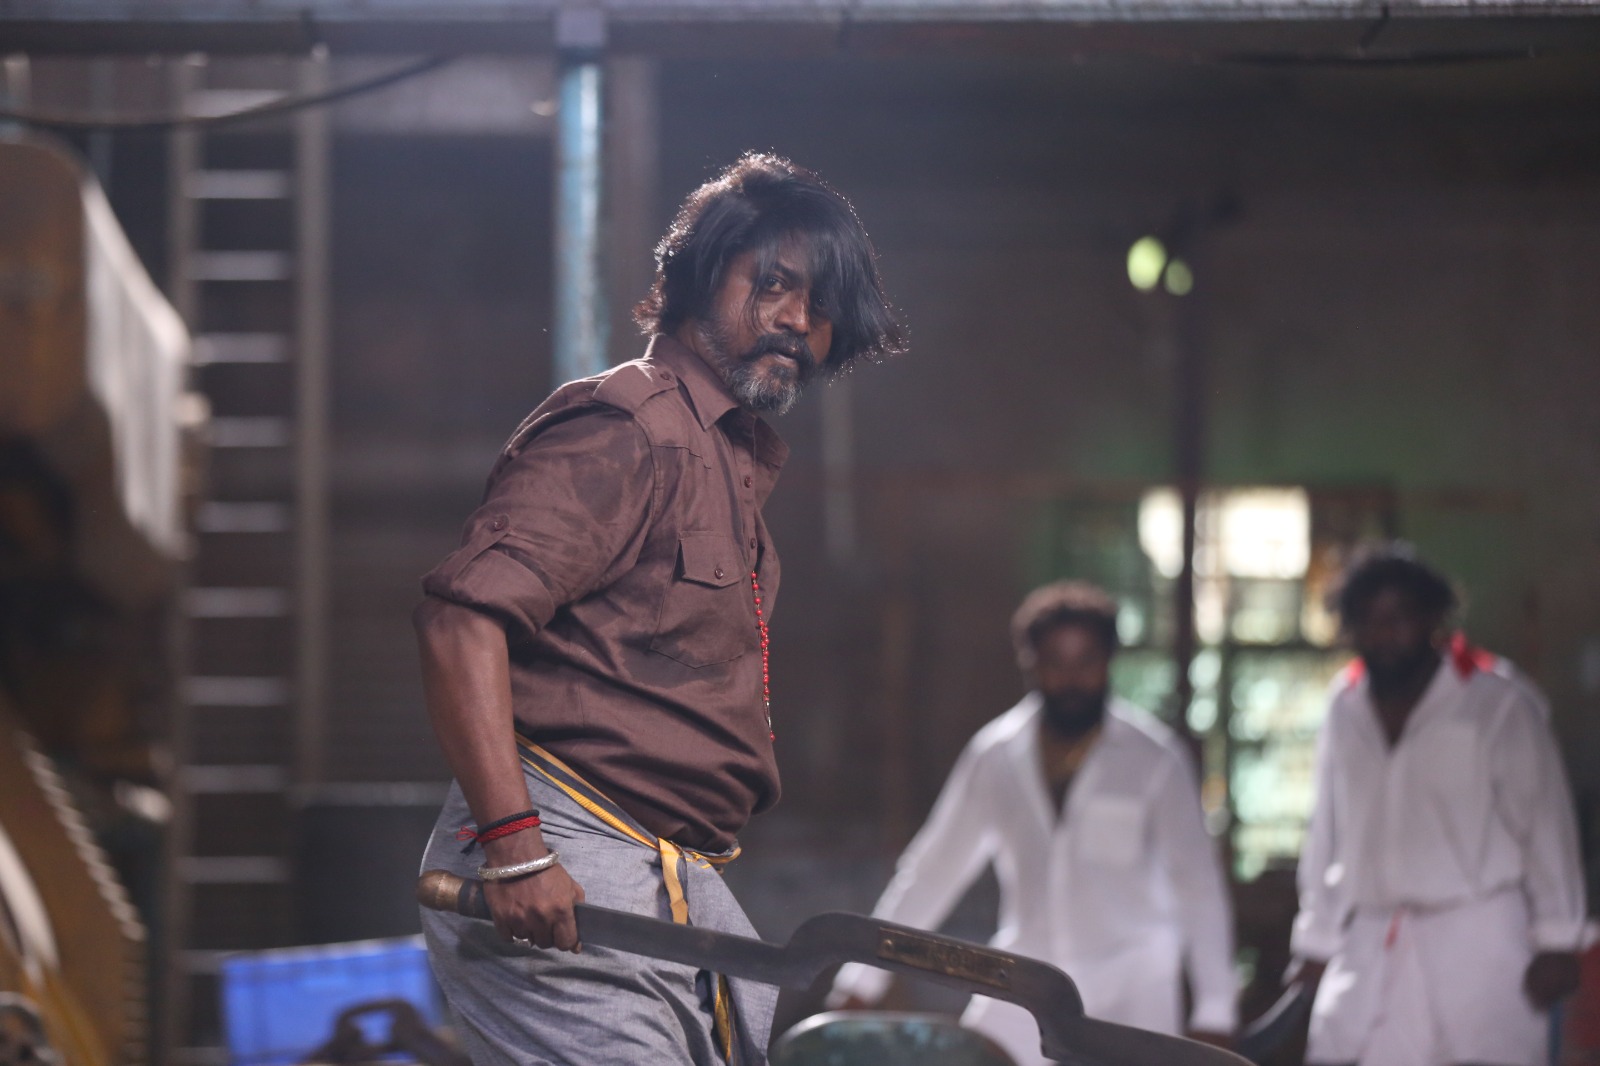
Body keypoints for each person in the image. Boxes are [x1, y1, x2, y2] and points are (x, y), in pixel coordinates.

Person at [413, 153, 903, 1066]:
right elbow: (460, 623)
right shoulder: (627, 428)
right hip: (567, 847)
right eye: (773, 285)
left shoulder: (726, 458)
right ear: (698, 276)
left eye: (822, 305)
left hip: (667, 870)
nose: (798, 319)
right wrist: (516, 847)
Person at [828, 581, 1238, 1063]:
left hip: (1132, 987)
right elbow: (933, 871)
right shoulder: (995, 755)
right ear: (1030, 663)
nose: (1071, 678)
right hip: (1026, 983)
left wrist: (1216, 1010)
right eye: (1055, 662)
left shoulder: (1155, 760)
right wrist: (861, 980)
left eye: (1086, 661)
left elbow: (1198, 885)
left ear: (1109, 661)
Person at [1289, 545, 1590, 1066]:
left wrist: (1558, 938)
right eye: (1368, 622)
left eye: (1398, 619)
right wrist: (1316, 939)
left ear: (1432, 618)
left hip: (1481, 941)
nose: (1384, 635)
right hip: (1373, 943)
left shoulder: (1496, 701)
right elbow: (1327, 831)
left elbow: (1545, 825)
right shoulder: (1344, 705)